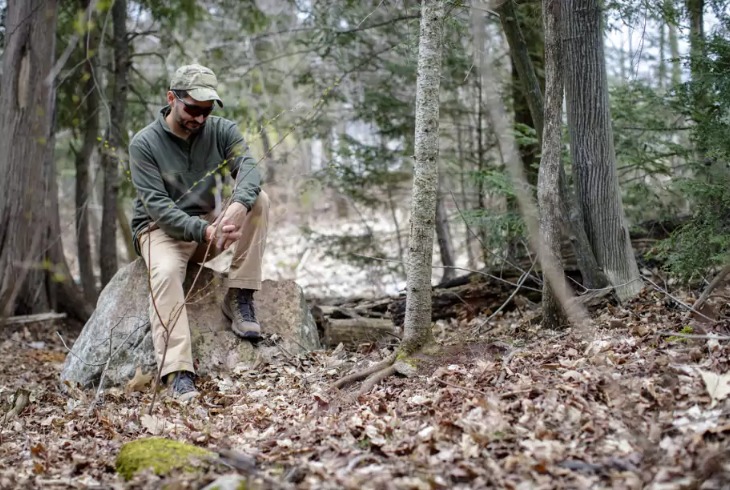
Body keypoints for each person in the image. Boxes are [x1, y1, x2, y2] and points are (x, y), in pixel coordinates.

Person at [128, 64, 269, 401]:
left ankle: (241, 295)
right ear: (171, 98)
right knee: (163, 273)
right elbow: (158, 207)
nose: (200, 119)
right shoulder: (144, 144)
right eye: (192, 109)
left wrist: (238, 204)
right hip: (161, 230)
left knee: (259, 200)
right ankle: (178, 371)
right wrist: (203, 231)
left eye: (206, 111)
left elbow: (248, 167)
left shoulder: (222, 130)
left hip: (209, 228)